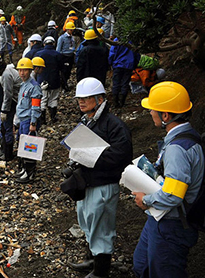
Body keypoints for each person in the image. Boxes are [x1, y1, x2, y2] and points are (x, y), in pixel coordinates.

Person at [132, 81, 203, 278]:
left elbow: (173, 195)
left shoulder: (176, 149)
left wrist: (145, 201)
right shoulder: (187, 137)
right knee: (142, 265)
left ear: (165, 115)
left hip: (172, 226)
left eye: (152, 110)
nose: (149, 113)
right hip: (161, 220)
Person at [67, 77, 133, 278]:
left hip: (103, 184)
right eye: (80, 98)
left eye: (86, 98)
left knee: (101, 228)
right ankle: (91, 260)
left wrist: (90, 155)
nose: (81, 102)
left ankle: (101, 272)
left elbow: (122, 156)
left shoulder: (114, 125)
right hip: (87, 183)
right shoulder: (87, 120)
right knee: (87, 222)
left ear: (99, 98)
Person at [0, 52, 22, 162]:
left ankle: (8, 154)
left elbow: (8, 94)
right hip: (9, 102)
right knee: (2, 127)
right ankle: (3, 149)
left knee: (7, 128)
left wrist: (5, 111)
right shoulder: (0, 72)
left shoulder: (6, 74)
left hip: (13, 102)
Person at [13, 57, 43, 183]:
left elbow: (35, 107)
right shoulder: (23, 84)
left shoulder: (34, 86)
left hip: (28, 120)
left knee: (29, 147)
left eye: (25, 70)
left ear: (30, 71)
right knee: (22, 146)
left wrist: (33, 123)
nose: (22, 73)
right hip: (22, 119)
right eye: (20, 70)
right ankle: (24, 169)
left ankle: (30, 173)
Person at [35, 36, 64, 124]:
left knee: (43, 99)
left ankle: (42, 119)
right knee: (53, 99)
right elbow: (62, 68)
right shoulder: (57, 54)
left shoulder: (38, 53)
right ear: (53, 44)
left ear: (44, 44)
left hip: (42, 80)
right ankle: (53, 117)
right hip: (55, 80)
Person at [108, 38, 139, 110]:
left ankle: (116, 102)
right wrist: (135, 64)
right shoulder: (133, 41)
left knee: (116, 83)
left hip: (118, 65)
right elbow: (137, 53)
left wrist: (110, 63)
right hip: (129, 65)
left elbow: (112, 53)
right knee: (125, 83)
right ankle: (122, 101)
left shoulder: (117, 40)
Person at [57, 21, 77, 91]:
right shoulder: (62, 38)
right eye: (71, 30)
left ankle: (65, 83)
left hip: (70, 56)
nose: (72, 31)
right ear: (68, 29)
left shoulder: (72, 38)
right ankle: (64, 86)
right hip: (64, 56)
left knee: (68, 71)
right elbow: (58, 49)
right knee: (64, 72)